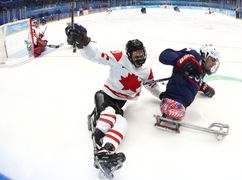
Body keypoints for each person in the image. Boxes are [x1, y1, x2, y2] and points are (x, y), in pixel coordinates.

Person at [66, 25, 162, 173]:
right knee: (110, 112)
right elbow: (96, 55)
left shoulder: (146, 72)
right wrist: (84, 43)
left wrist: (162, 95)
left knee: (122, 122)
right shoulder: (118, 58)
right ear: (129, 55)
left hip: (119, 104)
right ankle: (99, 137)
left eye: (141, 54)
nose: (140, 58)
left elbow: (152, 86)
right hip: (105, 96)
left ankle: (107, 149)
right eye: (136, 55)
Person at [156, 44, 219, 132]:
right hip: (173, 99)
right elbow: (164, 55)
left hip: (183, 104)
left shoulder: (202, 70)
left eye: (215, 61)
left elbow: (194, 80)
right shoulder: (193, 55)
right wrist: (182, 61)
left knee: (178, 112)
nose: (214, 63)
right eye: (212, 60)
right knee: (175, 112)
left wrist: (205, 88)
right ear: (204, 56)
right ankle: (169, 106)